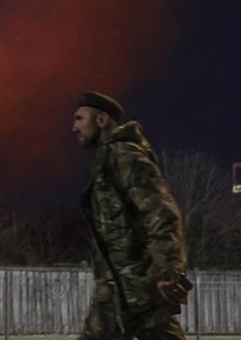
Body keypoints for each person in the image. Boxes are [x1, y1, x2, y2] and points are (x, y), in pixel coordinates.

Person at [72, 91, 189, 340]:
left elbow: (163, 214)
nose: (74, 127)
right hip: (119, 289)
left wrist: (166, 273)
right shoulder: (105, 160)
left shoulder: (125, 156)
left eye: (80, 119)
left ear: (101, 120)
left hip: (139, 285)